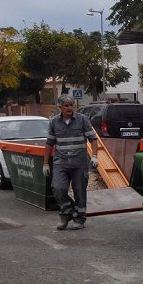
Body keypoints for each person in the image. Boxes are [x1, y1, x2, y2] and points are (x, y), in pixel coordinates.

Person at [43, 95, 99, 231]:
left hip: (79, 163)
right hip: (60, 162)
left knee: (80, 190)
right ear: (60, 107)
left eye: (71, 105)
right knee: (58, 188)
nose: (69, 108)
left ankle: (79, 219)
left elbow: (93, 139)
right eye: (66, 106)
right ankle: (66, 213)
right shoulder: (54, 122)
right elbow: (49, 143)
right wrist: (45, 163)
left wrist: (94, 156)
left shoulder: (82, 120)